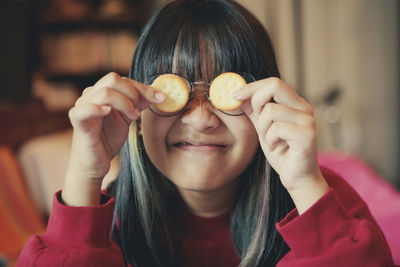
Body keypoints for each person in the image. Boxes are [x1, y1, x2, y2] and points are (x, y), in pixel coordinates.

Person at [17, 0, 396, 266]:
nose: (200, 120)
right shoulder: (108, 222)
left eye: (225, 94)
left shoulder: (325, 204)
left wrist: (303, 181)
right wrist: (84, 174)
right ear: (139, 107)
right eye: (173, 93)